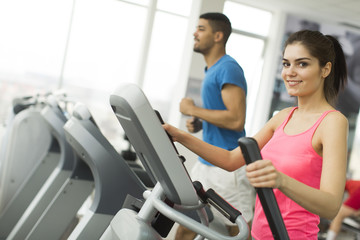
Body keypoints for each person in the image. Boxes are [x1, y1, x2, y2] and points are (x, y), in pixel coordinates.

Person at [164, 29, 348, 239]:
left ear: (325, 69)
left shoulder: (332, 122)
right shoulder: (284, 116)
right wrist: (178, 135)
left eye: (302, 64)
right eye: (286, 63)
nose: (290, 72)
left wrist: (281, 180)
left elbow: (331, 206)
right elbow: (231, 159)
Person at [175, 12, 255, 239]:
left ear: (218, 35)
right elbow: (223, 115)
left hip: (228, 167)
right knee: (188, 222)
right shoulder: (211, 69)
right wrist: (200, 122)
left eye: (201, 29)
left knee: (239, 231)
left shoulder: (228, 68)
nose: (194, 33)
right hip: (205, 164)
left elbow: (236, 119)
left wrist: (192, 109)